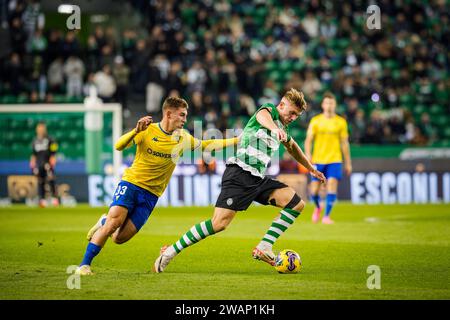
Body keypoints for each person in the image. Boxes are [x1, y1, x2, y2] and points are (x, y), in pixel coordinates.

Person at [153, 88, 326, 273]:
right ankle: (170, 251)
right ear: (282, 104)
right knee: (218, 224)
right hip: (239, 173)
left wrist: (311, 168)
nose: (292, 117)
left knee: (296, 204)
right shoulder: (269, 111)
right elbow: (262, 116)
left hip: (257, 178)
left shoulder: (283, 128)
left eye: (296, 116)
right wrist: (274, 129)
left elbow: (293, 147)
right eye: (291, 112)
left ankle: (265, 247)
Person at [76, 97, 239, 275]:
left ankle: (102, 221)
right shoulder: (147, 130)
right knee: (114, 223)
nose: (185, 119)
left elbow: (208, 145)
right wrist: (135, 131)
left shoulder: (183, 138)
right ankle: (84, 265)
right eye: (182, 115)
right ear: (169, 114)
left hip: (151, 195)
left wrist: (236, 141)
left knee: (119, 238)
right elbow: (118, 146)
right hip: (131, 183)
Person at [304, 92, 352, 224]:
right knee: (314, 190)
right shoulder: (316, 121)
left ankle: (326, 217)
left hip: (335, 159)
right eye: (327, 103)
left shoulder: (341, 122)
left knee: (332, 184)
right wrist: (308, 155)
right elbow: (308, 140)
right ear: (323, 105)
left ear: (335, 105)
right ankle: (318, 207)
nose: (329, 105)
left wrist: (348, 163)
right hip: (318, 160)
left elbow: (344, 143)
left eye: (331, 103)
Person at [30, 122, 59, 207]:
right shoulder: (35, 140)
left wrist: (53, 161)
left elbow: (54, 152)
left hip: (47, 163)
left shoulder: (50, 139)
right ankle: (42, 199)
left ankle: (54, 198)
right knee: (40, 181)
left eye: (42, 128)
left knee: (51, 180)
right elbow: (33, 154)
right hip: (39, 164)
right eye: (39, 128)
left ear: (45, 129)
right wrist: (32, 163)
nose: (40, 130)